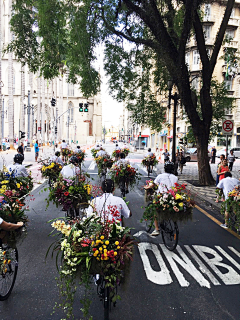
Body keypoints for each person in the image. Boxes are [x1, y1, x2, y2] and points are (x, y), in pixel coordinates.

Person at [150, 162, 178, 236]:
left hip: (161, 197)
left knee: (155, 211)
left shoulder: (160, 176)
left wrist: (147, 187)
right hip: (172, 197)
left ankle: (157, 229)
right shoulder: (175, 177)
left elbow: (154, 184)